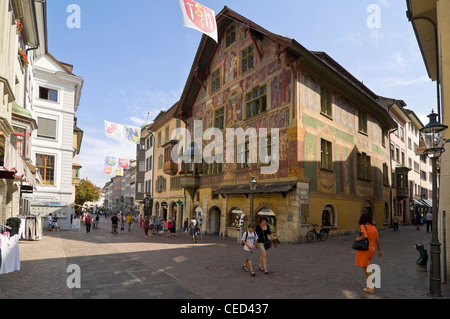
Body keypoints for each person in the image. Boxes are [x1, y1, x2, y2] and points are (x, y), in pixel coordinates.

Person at [354, 212, 382, 294]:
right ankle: (369, 286)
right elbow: (377, 240)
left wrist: (359, 238)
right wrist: (379, 250)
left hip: (365, 249)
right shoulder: (373, 227)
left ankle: (370, 287)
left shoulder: (363, 226)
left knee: (366, 267)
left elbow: (365, 236)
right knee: (365, 266)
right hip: (372, 249)